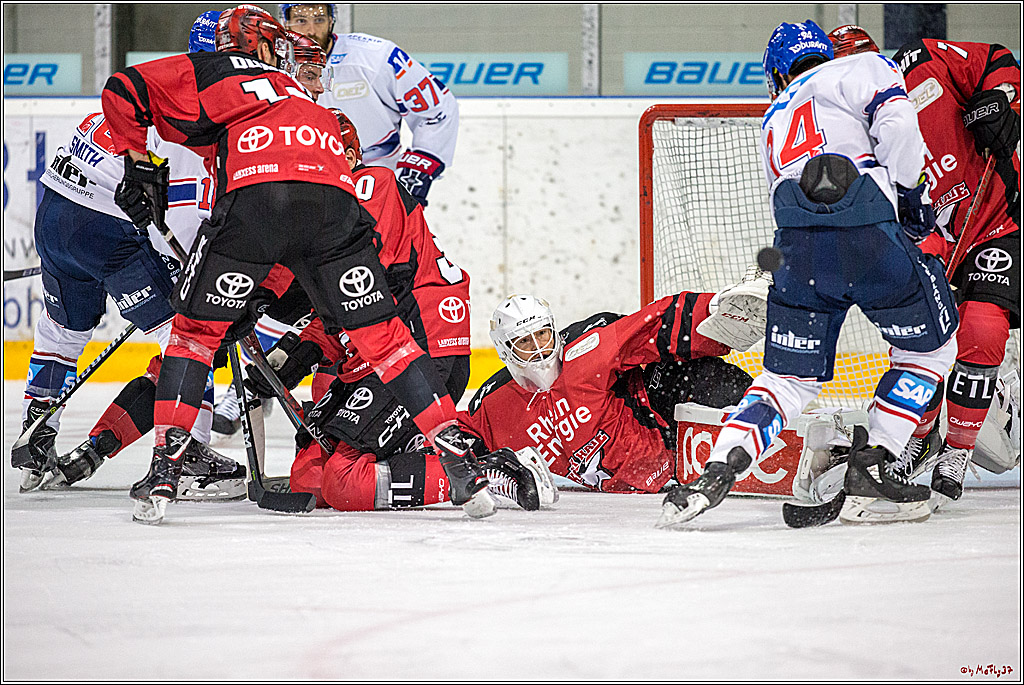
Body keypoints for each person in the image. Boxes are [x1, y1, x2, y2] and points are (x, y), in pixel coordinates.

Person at [101, 4, 496, 524]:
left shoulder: (218, 69)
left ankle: (165, 473)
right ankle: (459, 462)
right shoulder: (309, 101)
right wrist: (261, 293)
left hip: (257, 200)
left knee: (195, 334)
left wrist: (137, 165)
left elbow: (122, 90)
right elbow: (300, 215)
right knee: (387, 341)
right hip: (332, 205)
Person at [656, 20, 959, 529]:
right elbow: (902, 127)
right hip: (868, 235)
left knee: (787, 378)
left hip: (797, 251)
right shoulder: (860, 65)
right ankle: (874, 462)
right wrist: (909, 200)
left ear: (775, 74)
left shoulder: (773, 117)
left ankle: (715, 469)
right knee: (930, 350)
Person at [33, 11, 250, 499]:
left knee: (64, 327)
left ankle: (38, 424)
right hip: (108, 230)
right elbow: (181, 212)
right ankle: (188, 451)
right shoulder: (203, 113)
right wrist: (186, 269)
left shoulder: (157, 82)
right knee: (190, 333)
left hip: (54, 211)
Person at [829, 25, 1021, 505]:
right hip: (927, 246)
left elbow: (998, 58)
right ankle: (918, 436)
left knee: (981, 329)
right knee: (920, 346)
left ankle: (956, 451)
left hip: (994, 222)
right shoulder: (841, 142)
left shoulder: (923, 62)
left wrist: (1002, 101)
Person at [280, 3, 458, 206]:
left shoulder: (375, 56)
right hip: (302, 186)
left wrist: (414, 177)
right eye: (301, 20)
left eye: (319, 19)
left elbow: (438, 111)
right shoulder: (270, 65)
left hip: (375, 186)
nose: (311, 30)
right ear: (285, 22)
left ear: (331, 20)